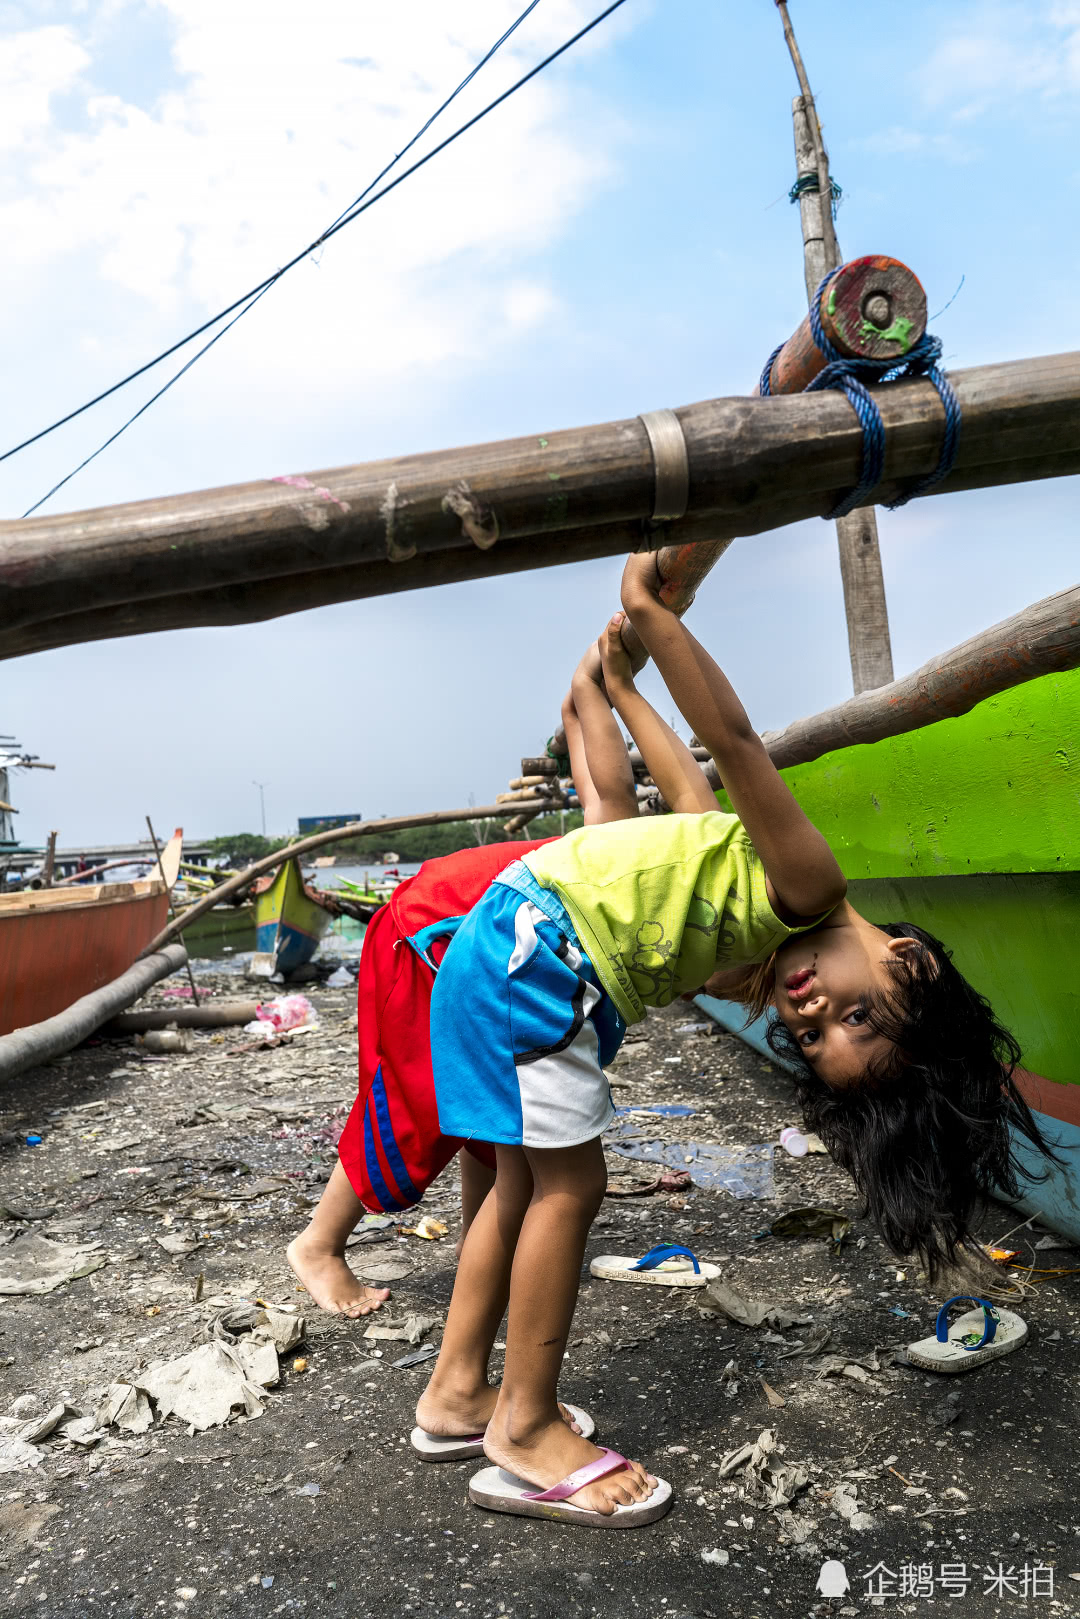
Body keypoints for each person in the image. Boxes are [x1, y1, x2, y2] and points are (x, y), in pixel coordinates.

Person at [415, 552, 1058, 1526]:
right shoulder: (803, 879)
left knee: (518, 1187)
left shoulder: (746, 902)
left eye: (814, 1037)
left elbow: (663, 795)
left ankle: (458, 1395)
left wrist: (614, 690)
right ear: (915, 965)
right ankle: (525, 1423)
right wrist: (654, 621)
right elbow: (733, 741)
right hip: (534, 955)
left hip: (510, 949)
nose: (810, 1014)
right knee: (569, 1187)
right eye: (855, 1013)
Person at [286, 637, 638, 1321]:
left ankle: (485, 1253)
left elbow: (601, 788)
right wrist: (597, 689)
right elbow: (611, 793)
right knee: (418, 1105)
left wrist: (580, 698)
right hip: (431, 931)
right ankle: (319, 1243)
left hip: (461, 932)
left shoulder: (611, 845)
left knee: (493, 1112)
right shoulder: (621, 855)